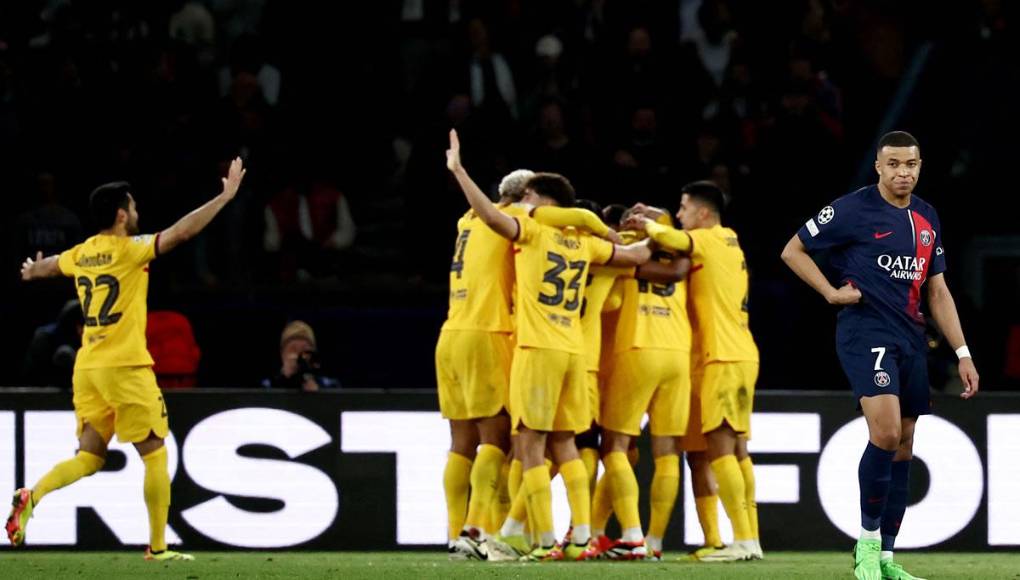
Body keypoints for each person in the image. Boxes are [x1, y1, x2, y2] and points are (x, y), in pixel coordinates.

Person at [6, 158, 247, 561]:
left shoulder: (83, 253)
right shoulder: (131, 250)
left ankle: (34, 494)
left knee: (88, 456)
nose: (137, 214)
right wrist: (224, 198)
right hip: (126, 367)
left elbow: (52, 265)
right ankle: (158, 548)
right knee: (155, 451)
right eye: (133, 208)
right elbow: (181, 233)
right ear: (121, 215)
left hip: (89, 369)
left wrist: (32, 271)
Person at [781, 131, 979, 580]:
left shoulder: (927, 217)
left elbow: (938, 291)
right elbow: (792, 250)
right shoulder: (852, 209)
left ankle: (887, 559)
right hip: (865, 331)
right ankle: (867, 547)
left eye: (910, 164)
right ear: (878, 166)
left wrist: (963, 353)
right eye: (893, 164)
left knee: (905, 443)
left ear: (920, 166)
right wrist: (830, 292)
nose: (902, 172)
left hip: (911, 338)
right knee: (886, 433)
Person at [446, 128, 651, 562]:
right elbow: (637, 258)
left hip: (531, 346)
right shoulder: (586, 241)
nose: (529, 205)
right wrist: (646, 230)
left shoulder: (527, 231)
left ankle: (524, 539)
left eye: (533, 200)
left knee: (528, 443)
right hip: (574, 351)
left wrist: (459, 172)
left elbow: (490, 214)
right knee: (566, 444)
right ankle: (577, 539)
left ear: (539, 201)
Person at [630, 181, 762, 562]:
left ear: (702, 214)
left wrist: (645, 222)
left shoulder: (704, 239)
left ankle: (743, 541)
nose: (681, 213)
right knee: (733, 450)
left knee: (722, 447)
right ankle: (746, 539)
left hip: (721, 356)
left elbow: (673, 238)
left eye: (684, 207)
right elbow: (678, 235)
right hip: (735, 353)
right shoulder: (728, 238)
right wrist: (659, 219)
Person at [261, 320, 339, 391]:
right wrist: (285, 379)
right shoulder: (267, 386)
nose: (298, 355)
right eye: (293, 350)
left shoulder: (330, 385)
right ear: (282, 354)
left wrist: (317, 394)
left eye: (305, 350)